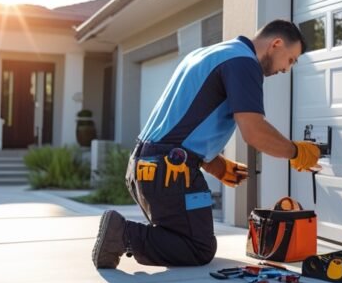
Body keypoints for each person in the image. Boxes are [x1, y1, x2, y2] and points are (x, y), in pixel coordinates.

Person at [91, 19, 323, 269]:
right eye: (290, 60)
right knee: (197, 247)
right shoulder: (244, 63)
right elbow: (254, 131)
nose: (287, 70)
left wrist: (214, 163)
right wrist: (296, 152)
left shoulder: (208, 53)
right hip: (169, 174)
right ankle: (121, 233)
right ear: (276, 44)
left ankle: (122, 236)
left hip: (145, 167)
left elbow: (184, 118)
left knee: (182, 236)